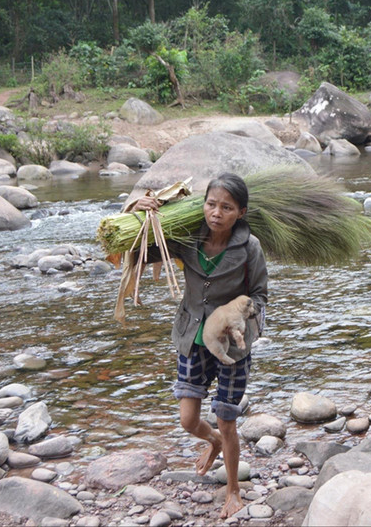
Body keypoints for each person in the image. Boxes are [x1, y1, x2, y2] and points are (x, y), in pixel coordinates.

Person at [132, 173, 267, 519]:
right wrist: (137, 209)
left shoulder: (249, 247)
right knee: (189, 420)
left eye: (226, 207)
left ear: (241, 212)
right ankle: (214, 444)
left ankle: (233, 490)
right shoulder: (185, 236)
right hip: (192, 338)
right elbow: (136, 249)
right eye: (211, 204)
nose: (216, 213)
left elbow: (260, 297)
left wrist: (242, 326)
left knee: (226, 420)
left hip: (231, 348)